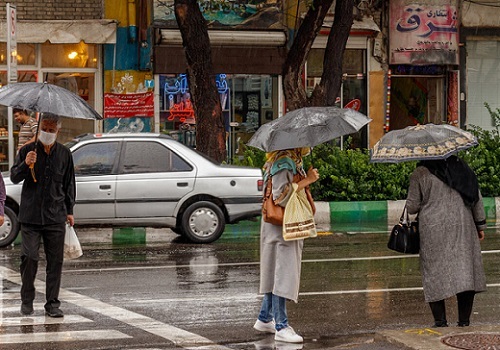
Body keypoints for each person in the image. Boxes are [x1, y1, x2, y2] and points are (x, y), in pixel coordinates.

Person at [405, 155, 486, 327]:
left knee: (434, 273)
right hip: (463, 227)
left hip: (433, 231)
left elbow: (411, 207)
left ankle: (440, 322)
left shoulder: (420, 173)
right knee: (465, 273)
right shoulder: (464, 169)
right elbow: (476, 198)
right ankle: (464, 321)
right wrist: (480, 225)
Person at [10, 113, 76, 318]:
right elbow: (14, 177)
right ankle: (27, 300)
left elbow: (69, 184)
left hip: (56, 215)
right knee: (29, 257)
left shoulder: (65, 154)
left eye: (51, 130)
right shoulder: (27, 151)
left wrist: (70, 210)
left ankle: (52, 304)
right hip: (30, 216)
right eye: (44, 129)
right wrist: (25, 164)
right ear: (39, 130)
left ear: (58, 131)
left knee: (55, 262)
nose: (47, 133)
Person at [253, 148, 319, 343]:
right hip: (282, 227)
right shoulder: (284, 163)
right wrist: (307, 181)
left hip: (280, 227)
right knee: (282, 273)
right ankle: (281, 326)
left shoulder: (287, 161)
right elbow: (280, 196)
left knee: (276, 271)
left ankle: (265, 318)